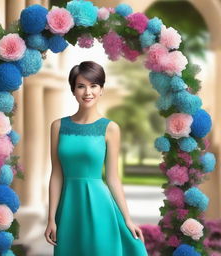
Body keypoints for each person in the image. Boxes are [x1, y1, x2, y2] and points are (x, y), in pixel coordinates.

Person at [44, 61, 148, 256]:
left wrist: (127, 219)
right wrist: (51, 218)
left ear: (101, 90)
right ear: (73, 90)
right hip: (68, 208)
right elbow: (56, 174)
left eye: (93, 86)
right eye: (81, 86)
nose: (87, 92)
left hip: (99, 205)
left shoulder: (110, 128)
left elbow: (113, 178)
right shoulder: (57, 126)